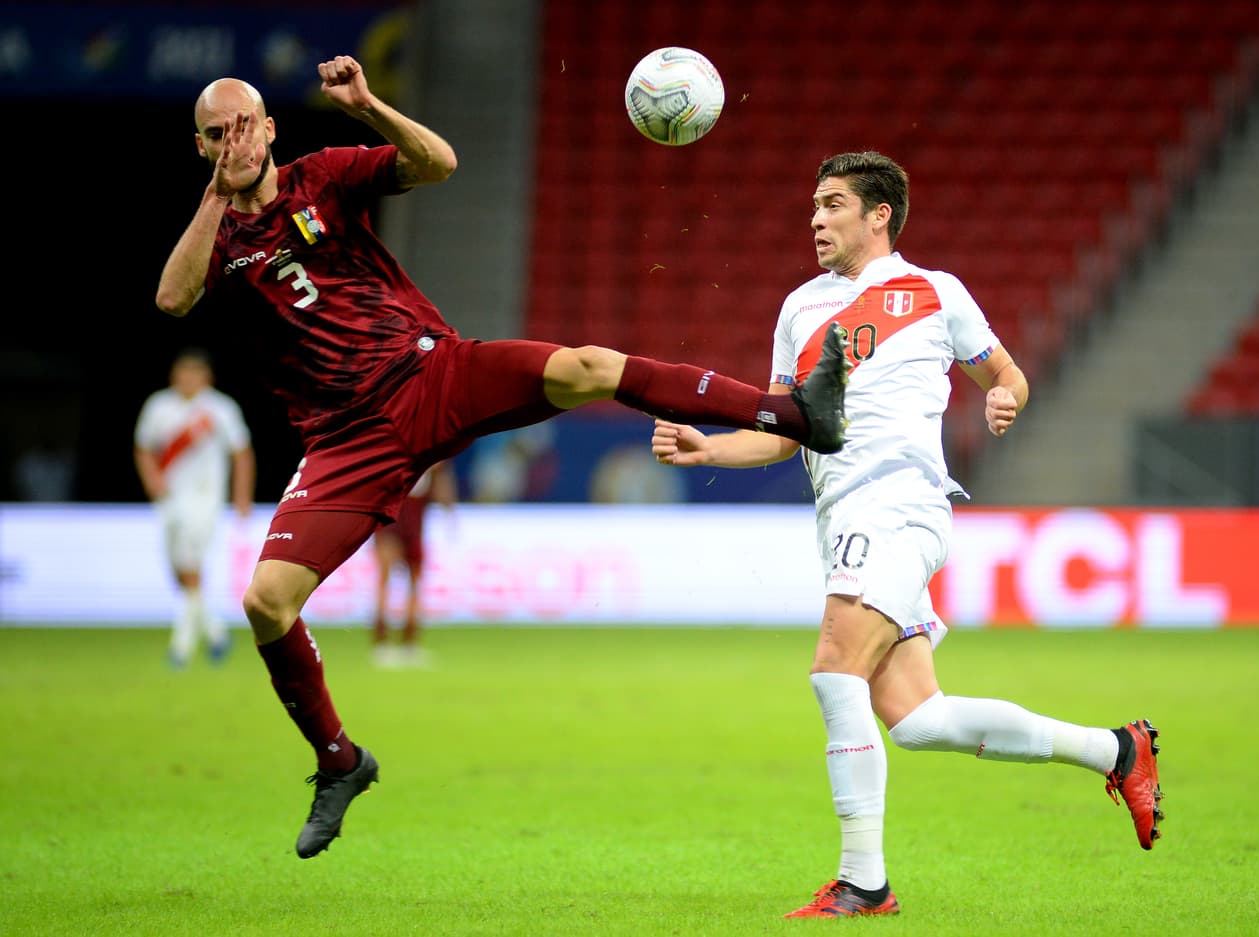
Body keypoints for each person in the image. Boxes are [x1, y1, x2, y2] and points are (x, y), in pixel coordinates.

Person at [154, 55, 850, 859]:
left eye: (244, 125)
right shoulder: (221, 234)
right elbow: (174, 297)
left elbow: (437, 164)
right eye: (216, 133)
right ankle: (340, 760)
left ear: (272, 128)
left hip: (431, 372)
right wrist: (215, 192)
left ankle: (793, 411)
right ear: (202, 145)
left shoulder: (326, 176)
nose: (233, 141)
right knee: (266, 604)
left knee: (588, 364)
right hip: (345, 438)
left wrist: (369, 104)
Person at [651, 151, 1164, 919]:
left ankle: (864, 881)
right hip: (844, 518)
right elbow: (785, 432)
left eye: (832, 205)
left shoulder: (937, 292)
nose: (816, 220)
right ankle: (1117, 747)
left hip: (898, 506)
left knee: (834, 673)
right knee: (920, 719)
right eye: (814, 207)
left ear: (878, 213)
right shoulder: (800, 308)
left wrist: (1006, 402)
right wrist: (709, 445)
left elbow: (1007, 375)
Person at [134, 347, 256, 667]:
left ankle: (181, 647)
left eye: (194, 373)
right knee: (179, 572)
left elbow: (241, 453)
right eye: (182, 373)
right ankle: (215, 632)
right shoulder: (159, 406)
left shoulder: (220, 409)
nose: (187, 379)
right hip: (170, 499)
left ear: (206, 377)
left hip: (205, 499)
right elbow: (144, 447)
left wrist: (241, 495)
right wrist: (152, 479)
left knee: (191, 569)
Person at [370, 461, 457, 668]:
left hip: (390, 528)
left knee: (387, 583)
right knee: (410, 585)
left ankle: (384, 644)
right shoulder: (434, 463)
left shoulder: (394, 460)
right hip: (406, 530)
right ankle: (405, 644)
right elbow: (443, 493)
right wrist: (450, 514)